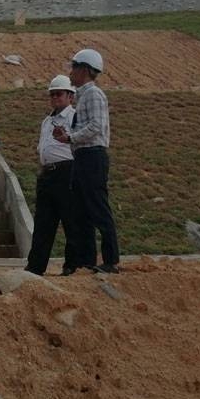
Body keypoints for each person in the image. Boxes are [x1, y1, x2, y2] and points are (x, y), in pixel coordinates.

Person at [52, 49, 121, 274]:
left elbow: (95, 127)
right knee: (82, 210)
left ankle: (111, 259)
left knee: (98, 207)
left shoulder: (93, 94)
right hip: (82, 156)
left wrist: (71, 137)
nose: (71, 72)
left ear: (84, 70)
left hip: (92, 155)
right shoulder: (83, 95)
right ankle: (87, 260)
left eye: (74, 67)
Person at [25, 75, 78, 276]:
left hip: (67, 171)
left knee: (71, 220)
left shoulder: (75, 118)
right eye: (52, 94)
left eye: (59, 93)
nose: (55, 97)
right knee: (43, 223)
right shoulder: (47, 121)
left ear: (70, 96)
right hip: (47, 173)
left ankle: (72, 265)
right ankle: (35, 266)